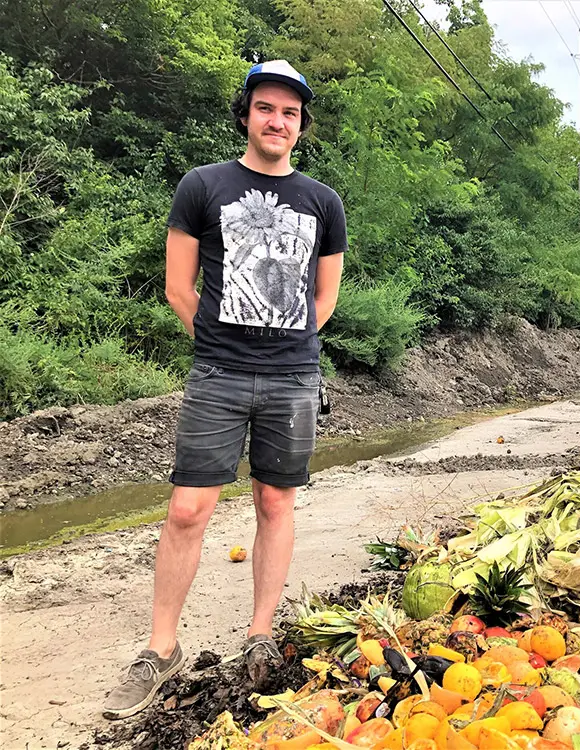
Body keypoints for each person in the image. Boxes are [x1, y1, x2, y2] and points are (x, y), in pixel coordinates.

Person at [103, 60, 347, 719]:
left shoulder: (323, 201)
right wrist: (217, 341)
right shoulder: (202, 186)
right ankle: (161, 649)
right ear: (246, 114)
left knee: (275, 500)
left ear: (301, 126)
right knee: (188, 509)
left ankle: (260, 632)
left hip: (294, 376)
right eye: (267, 108)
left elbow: (324, 296)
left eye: (291, 113)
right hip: (218, 372)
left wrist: (288, 338)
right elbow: (178, 287)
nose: (278, 121)